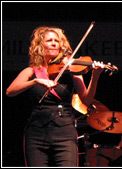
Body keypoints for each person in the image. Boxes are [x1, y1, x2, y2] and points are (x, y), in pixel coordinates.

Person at [6, 26, 105, 167]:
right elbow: (10, 91)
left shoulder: (71, 70)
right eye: (49, 40)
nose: (53, 43)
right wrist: (35, 80)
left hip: (64, 132)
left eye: (56, 41)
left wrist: (95, 76)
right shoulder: (31, 71)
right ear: (40, 46)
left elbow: (86, 100)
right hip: (36, 133)